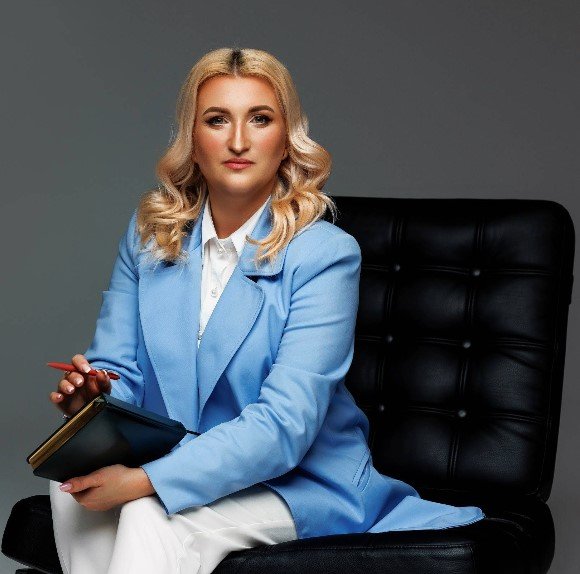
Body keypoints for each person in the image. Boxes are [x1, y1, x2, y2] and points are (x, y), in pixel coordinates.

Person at [48, 47, 485, 574]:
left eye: (259, 119)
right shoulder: (149, 239)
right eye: (217, 120)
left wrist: (146, 481)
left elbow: (285, 425)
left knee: (149, 514)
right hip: (175, 459)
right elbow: (121, 371)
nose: (238, 141)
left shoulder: (324, 255)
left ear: (285, 141)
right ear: (192, 141)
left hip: (299, 481)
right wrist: (94, 396)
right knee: (68, 490)